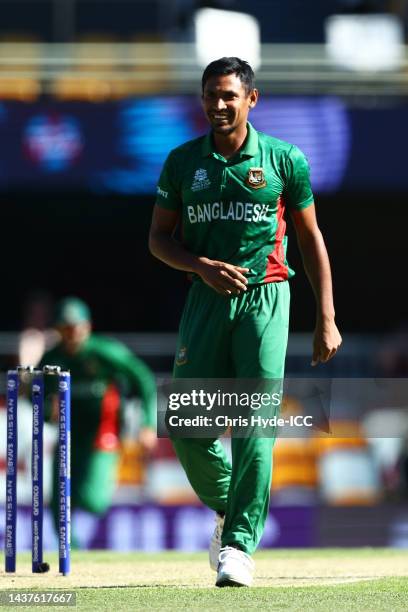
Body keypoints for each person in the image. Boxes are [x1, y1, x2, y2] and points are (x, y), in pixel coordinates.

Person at [149, 57, 341, 587]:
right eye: (211, 94)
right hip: (205, 302)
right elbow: (158, 240)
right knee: (188, 425)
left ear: (252, 99)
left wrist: (325, 316)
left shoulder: (283, 159)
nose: (219, 104)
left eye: (230, 95)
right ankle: (234, 509)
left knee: (256, 425)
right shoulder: (182, 161)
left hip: (266, 300)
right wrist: (200, 265)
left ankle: (238, 547)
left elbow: (310, 238)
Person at [40, 296, 156, 545]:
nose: (72, 334)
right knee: (59, 501)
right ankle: (73, 552)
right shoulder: (51, 358)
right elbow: (37, 395)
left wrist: (148, 424)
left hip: (104, 434)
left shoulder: (103, 352)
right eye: (65, 328)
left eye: (76, 327)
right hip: (67, 437)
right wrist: (45, 408)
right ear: (58, 329)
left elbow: (143, 378)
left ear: (87, 326)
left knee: (92, 500)